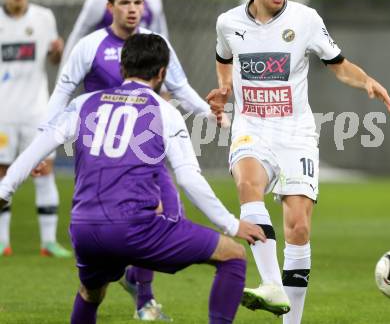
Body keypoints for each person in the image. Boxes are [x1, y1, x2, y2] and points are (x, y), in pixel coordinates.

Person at [0, 33, 266, 324]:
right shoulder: (164, 112)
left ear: (122, 69)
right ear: (162, 73)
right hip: (135, 230)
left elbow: (37, 146)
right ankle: (148, 295)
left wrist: (5, 189)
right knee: (233, 254)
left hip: (84, 229)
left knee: (91, 293)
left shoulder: (84, 103)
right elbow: (189, 179)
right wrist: (231, 223)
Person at [207, 0, 390, 324]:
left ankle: (291, 322)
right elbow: (224, 58)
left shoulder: (305, 19)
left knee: (298, 227)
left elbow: (338, 66)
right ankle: (271, 284)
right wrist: (224, 88)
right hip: (252, 127)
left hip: (296, 133)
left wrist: (366, 81)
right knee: (247, 184)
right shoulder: (228, 23)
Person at [44, 0, 214, 320]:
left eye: (139, 3)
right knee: (119, 228)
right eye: (126, 3)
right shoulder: (91, 46)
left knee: (169, 212)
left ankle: (139, 289)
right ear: (111, 7)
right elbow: (62, 93)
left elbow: (180, 86)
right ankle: (127, 288)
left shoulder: (154, 43)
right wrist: (46, 143)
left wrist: (211, 115)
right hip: (101, 154)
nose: (134, 9)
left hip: (145, 150)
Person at [0, 0, 71, 258]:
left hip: (37, 111)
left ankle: (48, 242)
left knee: (44, 171)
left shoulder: (43, 18)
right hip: (3, 112)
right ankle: (2, 242)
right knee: (3, 173)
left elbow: (52, 60)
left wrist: (57, 51)